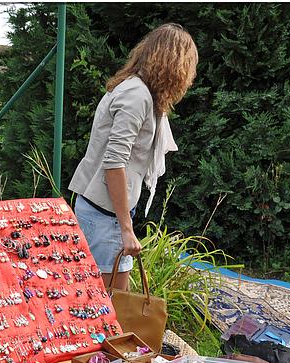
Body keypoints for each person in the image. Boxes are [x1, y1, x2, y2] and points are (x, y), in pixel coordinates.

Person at [69, 23, 198, 291]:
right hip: (105, 217)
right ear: (175, 65)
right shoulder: (137, 96)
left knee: (110, 306)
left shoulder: (136, 90)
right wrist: (126, 229)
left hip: (104, 213)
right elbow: (114, 163)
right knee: (108, 311)